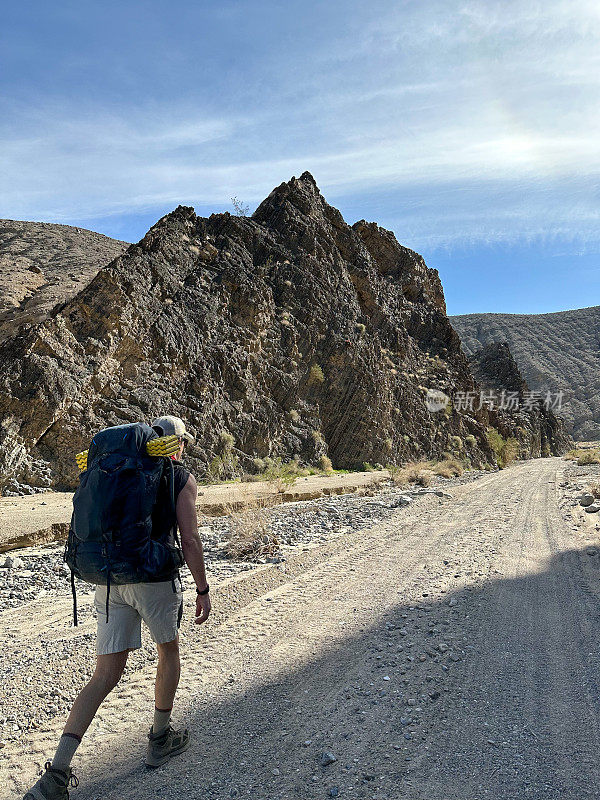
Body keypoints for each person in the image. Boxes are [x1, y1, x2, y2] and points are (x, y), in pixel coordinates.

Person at [23, 415, 211, 800]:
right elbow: (189, 539)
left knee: (104, 675)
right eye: (185, 444)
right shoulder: (180, 478)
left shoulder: (115, 470)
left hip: (109, 579)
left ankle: (56, 774)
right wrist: (202, 588)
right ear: (176, 445)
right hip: (153, 580)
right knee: (168, 652)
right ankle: (160, 738)